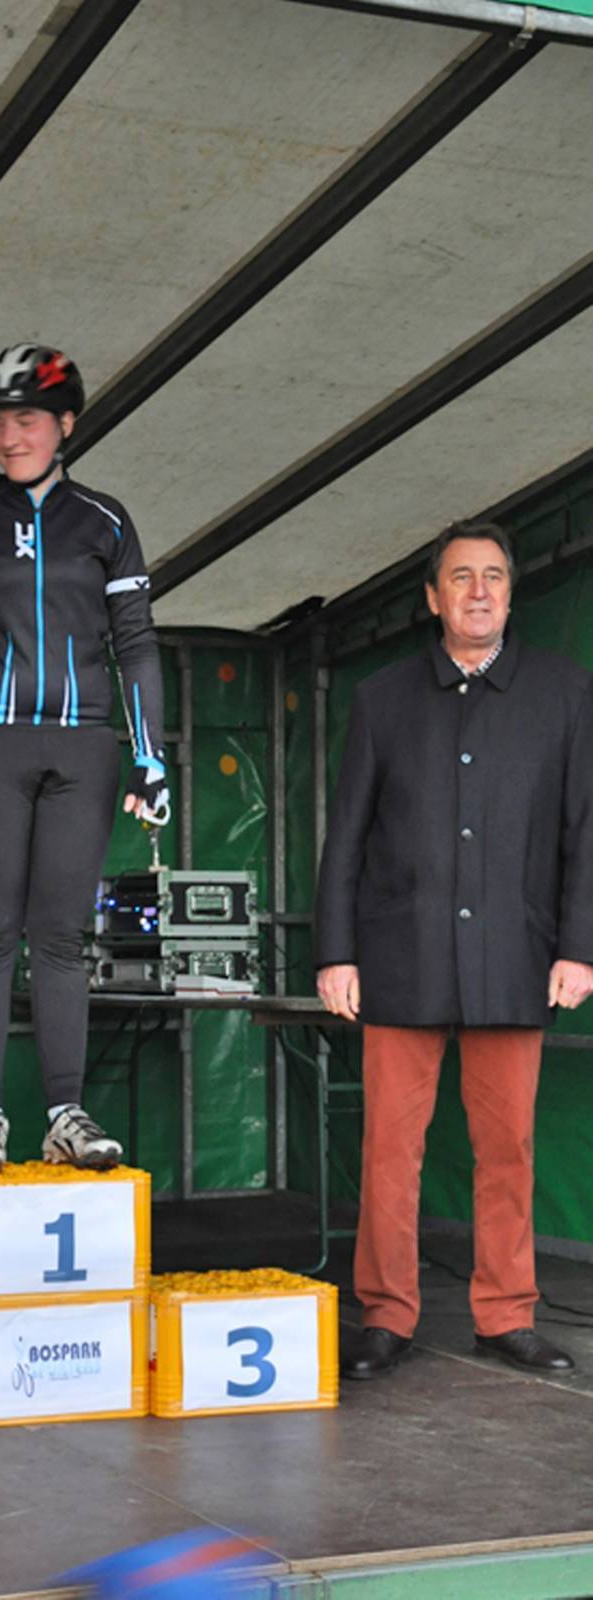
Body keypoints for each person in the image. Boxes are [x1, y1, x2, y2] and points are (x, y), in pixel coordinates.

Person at [315, 519, 593, 1381]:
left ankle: (505, 1314)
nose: (478, 591)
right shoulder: (382, 697)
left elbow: (585, 832)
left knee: (506, 1148)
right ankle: (385, 1315)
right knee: (389, 1149)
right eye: (461, 577)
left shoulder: (563, 692)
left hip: (516, 955)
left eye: (493, 576)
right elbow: (346, 834)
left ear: (511, 593)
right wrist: (335, 951)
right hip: (399, 956)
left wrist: (579, 947)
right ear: (432, 597)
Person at [0, 343, 167, 1173]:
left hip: (83, 743)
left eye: (25, 419)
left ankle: (65, 1113)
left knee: (60, 935)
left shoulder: (105, 521)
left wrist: (149, 755)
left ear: (65, 425)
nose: (8, 437)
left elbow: (135, 643)